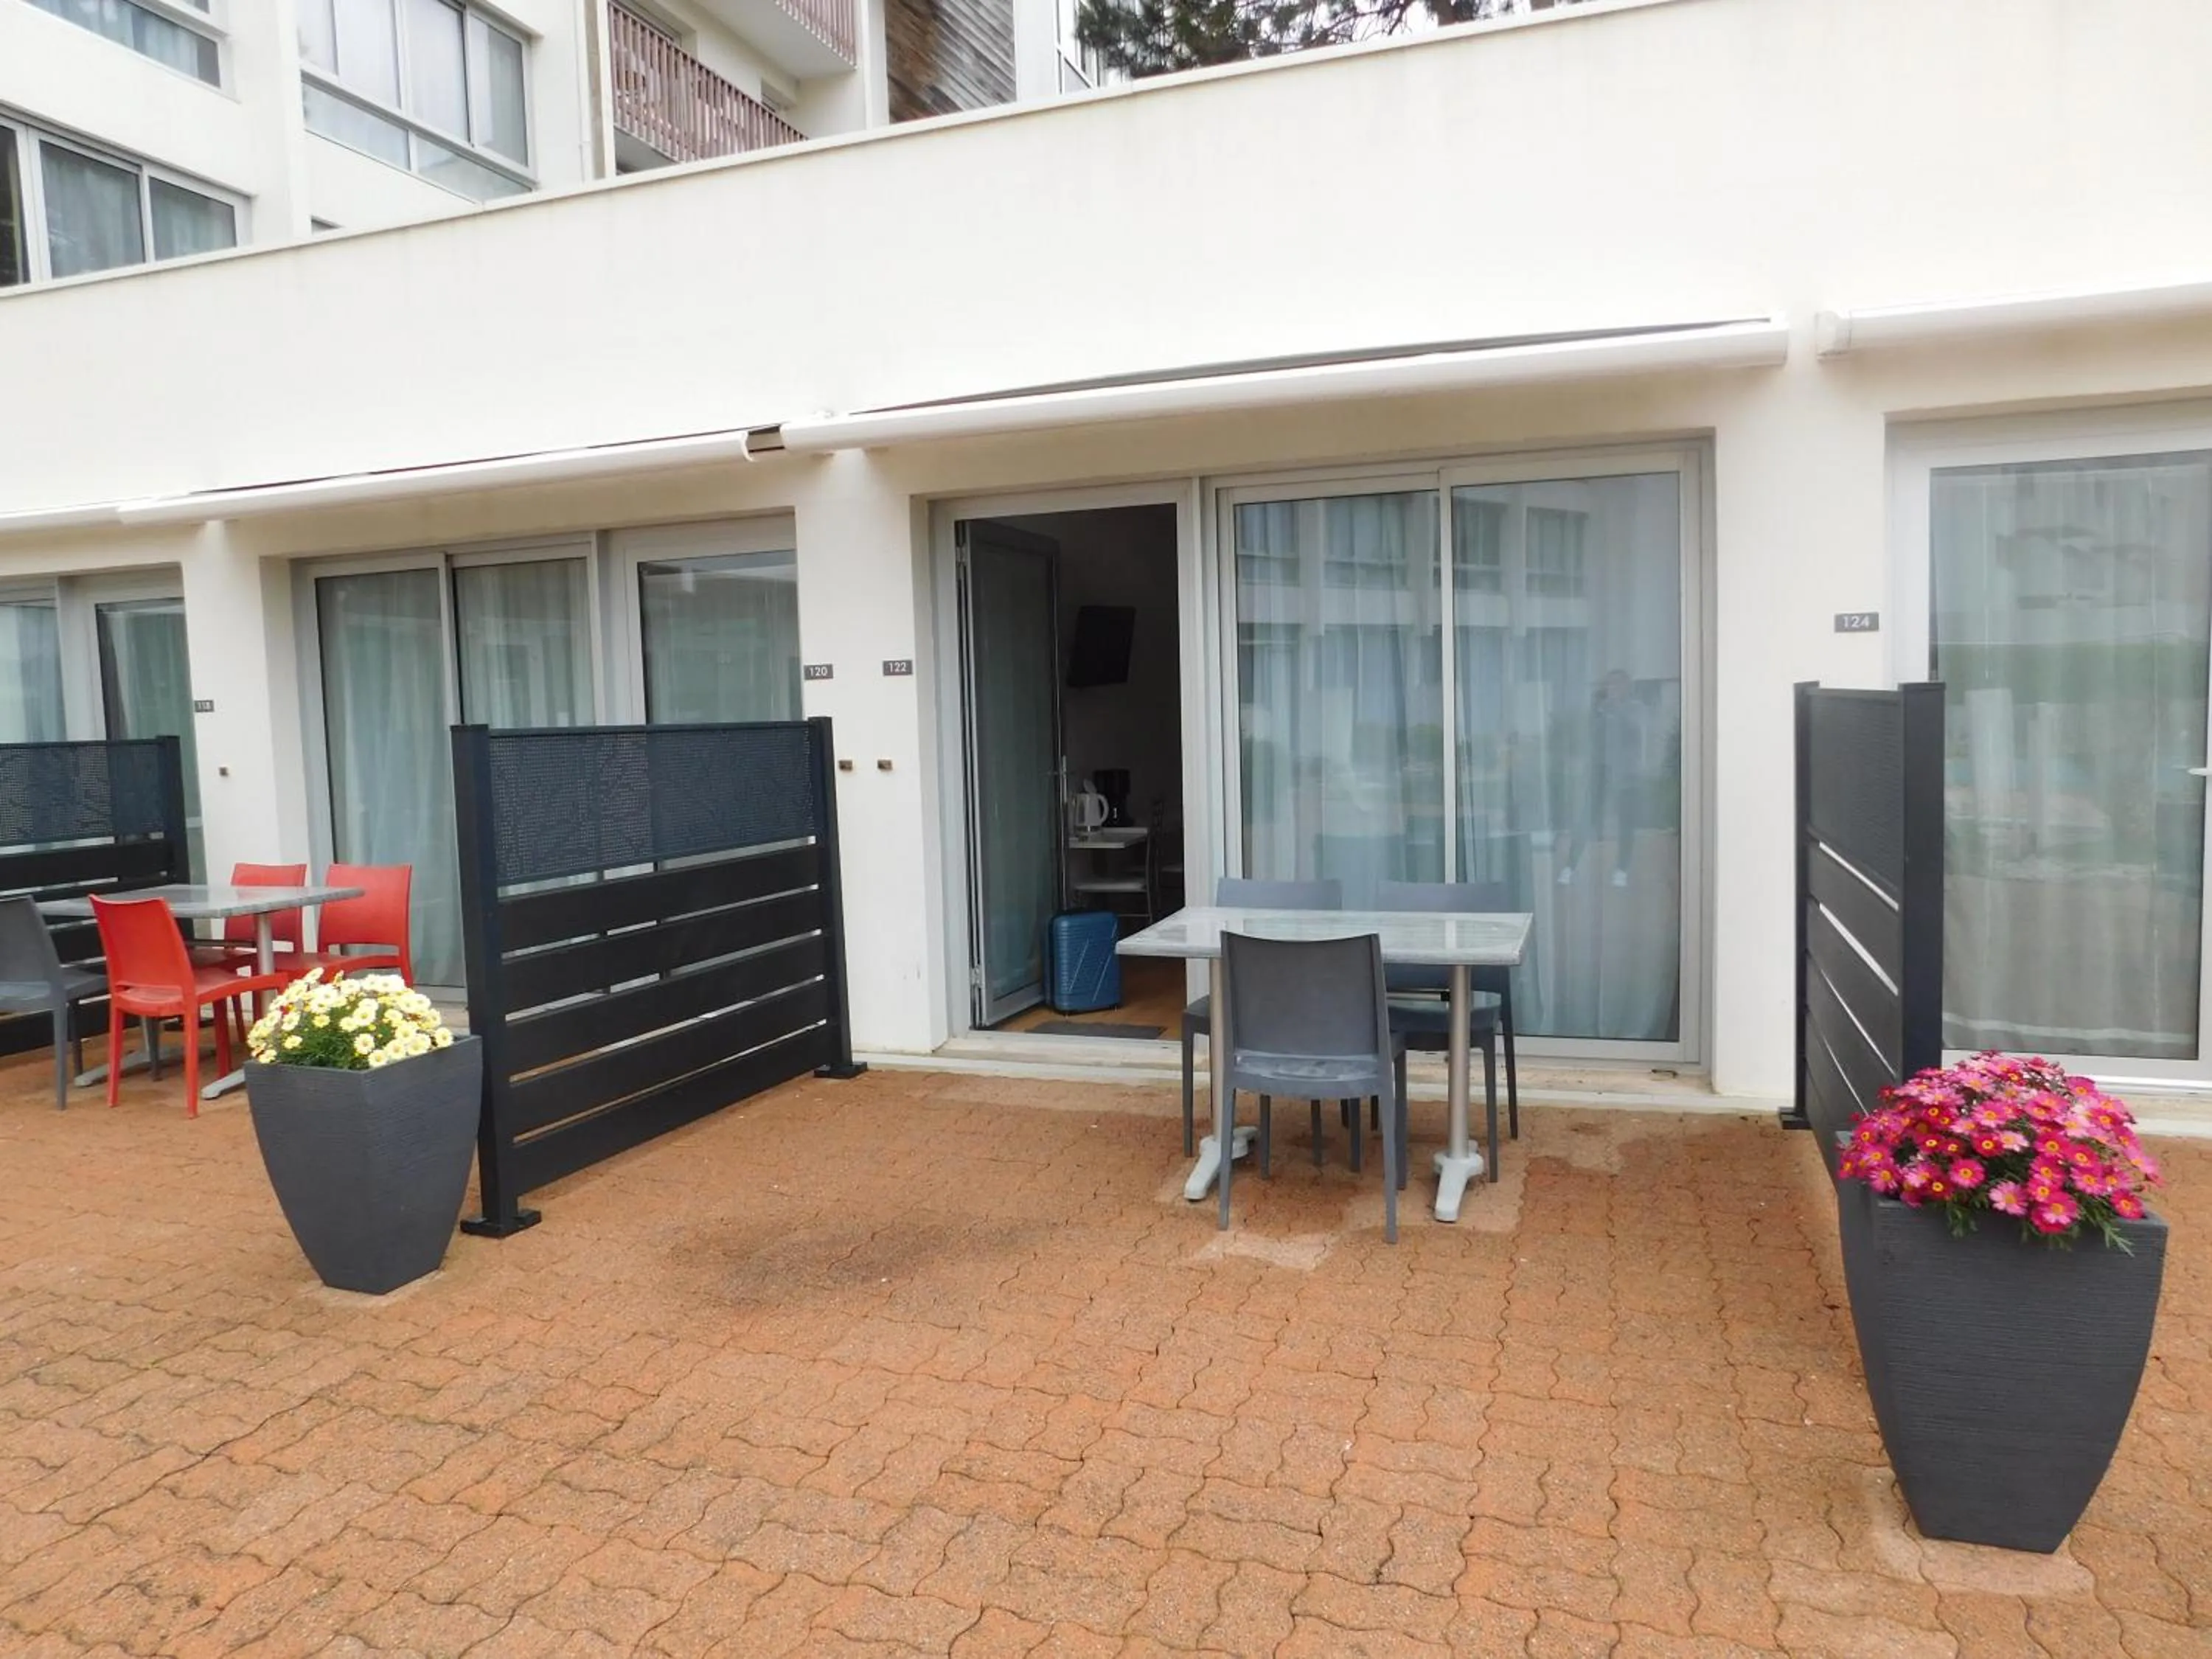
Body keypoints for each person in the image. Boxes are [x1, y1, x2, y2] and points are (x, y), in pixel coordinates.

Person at [1559, 669, 1645, 888]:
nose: (1613, 689)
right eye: (1610, 685)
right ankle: (1570, 867)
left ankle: (1621, 870)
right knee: (1587, 818)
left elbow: (1635, 734)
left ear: (1627, 688)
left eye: (1618, 685)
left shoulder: (1635, 709)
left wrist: (1616, 711)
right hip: (1601, 771)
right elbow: (1591, 737)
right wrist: (1600, 711)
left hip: (1626, 775)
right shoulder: (1599, 710)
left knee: (1626, 823)